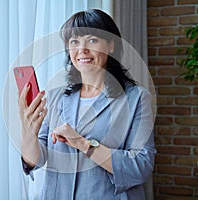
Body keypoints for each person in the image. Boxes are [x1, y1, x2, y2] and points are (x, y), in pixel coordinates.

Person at [19, 9, 156, 200]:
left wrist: (83, 143)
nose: (82, 50)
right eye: (74, 41)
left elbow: (141, 166)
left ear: (110, 45)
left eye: (91, 40)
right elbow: (35, 160)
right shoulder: (54, 97)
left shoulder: (136, 99)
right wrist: (28, 130)